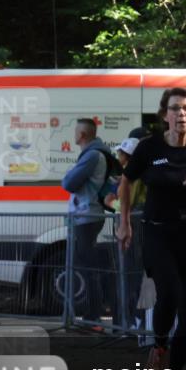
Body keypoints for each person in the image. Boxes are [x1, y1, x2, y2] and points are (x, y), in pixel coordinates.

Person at [116, 88, 186, 370]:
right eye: (175, 109)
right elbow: (126, 181)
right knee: (170, 292)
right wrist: (124, 222)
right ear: (165, 115)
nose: (181, 114)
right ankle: (159, 344)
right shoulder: (149, 149)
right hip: (158, 232)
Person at [61, 119, 112, 324]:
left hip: (87, 215)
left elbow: (69, 183)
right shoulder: (94, 154)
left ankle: (93, 313)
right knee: (84, 264)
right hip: (86, 215)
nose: (73, 135)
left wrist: (68, 176)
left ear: (82, 134)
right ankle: (92, 312)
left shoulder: (92, 155)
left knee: (87, 266)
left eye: (75, 132)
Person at [105, 137, 144, 330]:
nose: (117, 156)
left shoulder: (133, 174)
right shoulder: (130, 174)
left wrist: (110, 202)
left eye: (120, 153)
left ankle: (133, 321)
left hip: (134, 229)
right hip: (135, 227)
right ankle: (132, 320)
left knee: (130, 274)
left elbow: (128, 203)